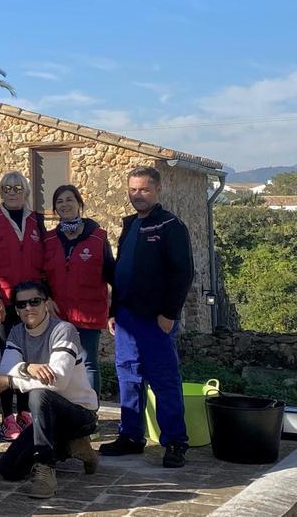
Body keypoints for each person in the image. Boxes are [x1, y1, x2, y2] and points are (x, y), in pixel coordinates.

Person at [99, 166, 195, 468]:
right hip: (127, 319)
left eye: (143, 189)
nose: (137, 195)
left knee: (164, 380)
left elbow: (183, 273)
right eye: (133, 189)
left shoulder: (170, 225)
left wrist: (169, 314)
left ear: (157, 190)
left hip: (156, 320)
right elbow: (119, 275)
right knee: (128, 378)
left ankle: (175, 443)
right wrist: (114, 312)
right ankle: (131, 436)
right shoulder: (130, 225)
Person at [0, 281, 100, 498]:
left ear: (46, 303)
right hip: (46, 418)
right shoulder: (17, 333)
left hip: (79, 414)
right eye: (21, 304)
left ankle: (45, 469)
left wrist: (11, 382)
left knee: (40, 395)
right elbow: (5, 369)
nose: (28, 308)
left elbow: (57, 382)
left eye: (35, 301)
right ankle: (74, 448)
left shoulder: (63, 330)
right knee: (9, 469)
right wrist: (28, 367)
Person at [0, 171, 44, 440]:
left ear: (26, 191)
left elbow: (44, 262)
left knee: (30, 357)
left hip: (30, 303)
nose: (12, 191)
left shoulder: (37, 220)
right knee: (8, 357)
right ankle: (7, 417)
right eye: (7, 187)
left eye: (17, 187)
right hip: (0, 302)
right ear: (0, 191)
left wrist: (44, 299)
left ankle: (25, 413)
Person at [43, 184, 114, 395]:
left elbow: (112, 274)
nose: (65, 205)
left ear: (79, 204)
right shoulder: (48, 239)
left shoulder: (98, 237)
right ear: (55, 209)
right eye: (60, 201)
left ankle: (90, 412)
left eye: (69, 200)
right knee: (57, 362)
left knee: (87, 362)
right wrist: (46, 298)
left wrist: (115, 310)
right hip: (57, 314)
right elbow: (40, 274)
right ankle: (64, 410)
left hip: (89, 312)